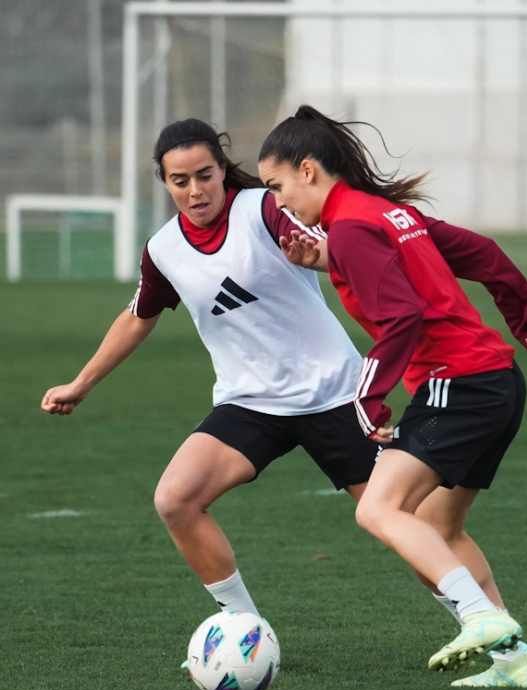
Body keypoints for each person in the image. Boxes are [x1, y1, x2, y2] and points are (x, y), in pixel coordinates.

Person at [258, 105, 527, 687]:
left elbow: (401, 315)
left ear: (308, 170)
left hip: (456, 385)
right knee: (439, 529)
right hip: (496, 382)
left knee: (377, 508)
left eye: (277, 186)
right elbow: (485, 255)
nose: (278, 202)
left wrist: (370, 400)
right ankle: (513, 661)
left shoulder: (351, 226)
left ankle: (482, 617)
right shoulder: (385, 215)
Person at [41, 118, 379, 629]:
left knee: (399, 521)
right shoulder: (163, 250)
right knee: (176, 499)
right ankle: (242, 627)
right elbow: (139, 315)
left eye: (204, 174)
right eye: (180, 180)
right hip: (250, 404)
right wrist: (81, 383)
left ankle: (492, 632)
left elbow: (331, 249)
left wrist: (323, 256)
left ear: (223, 170)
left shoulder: (265, 209)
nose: (195, 190)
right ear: (165, 183)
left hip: (331, 392)